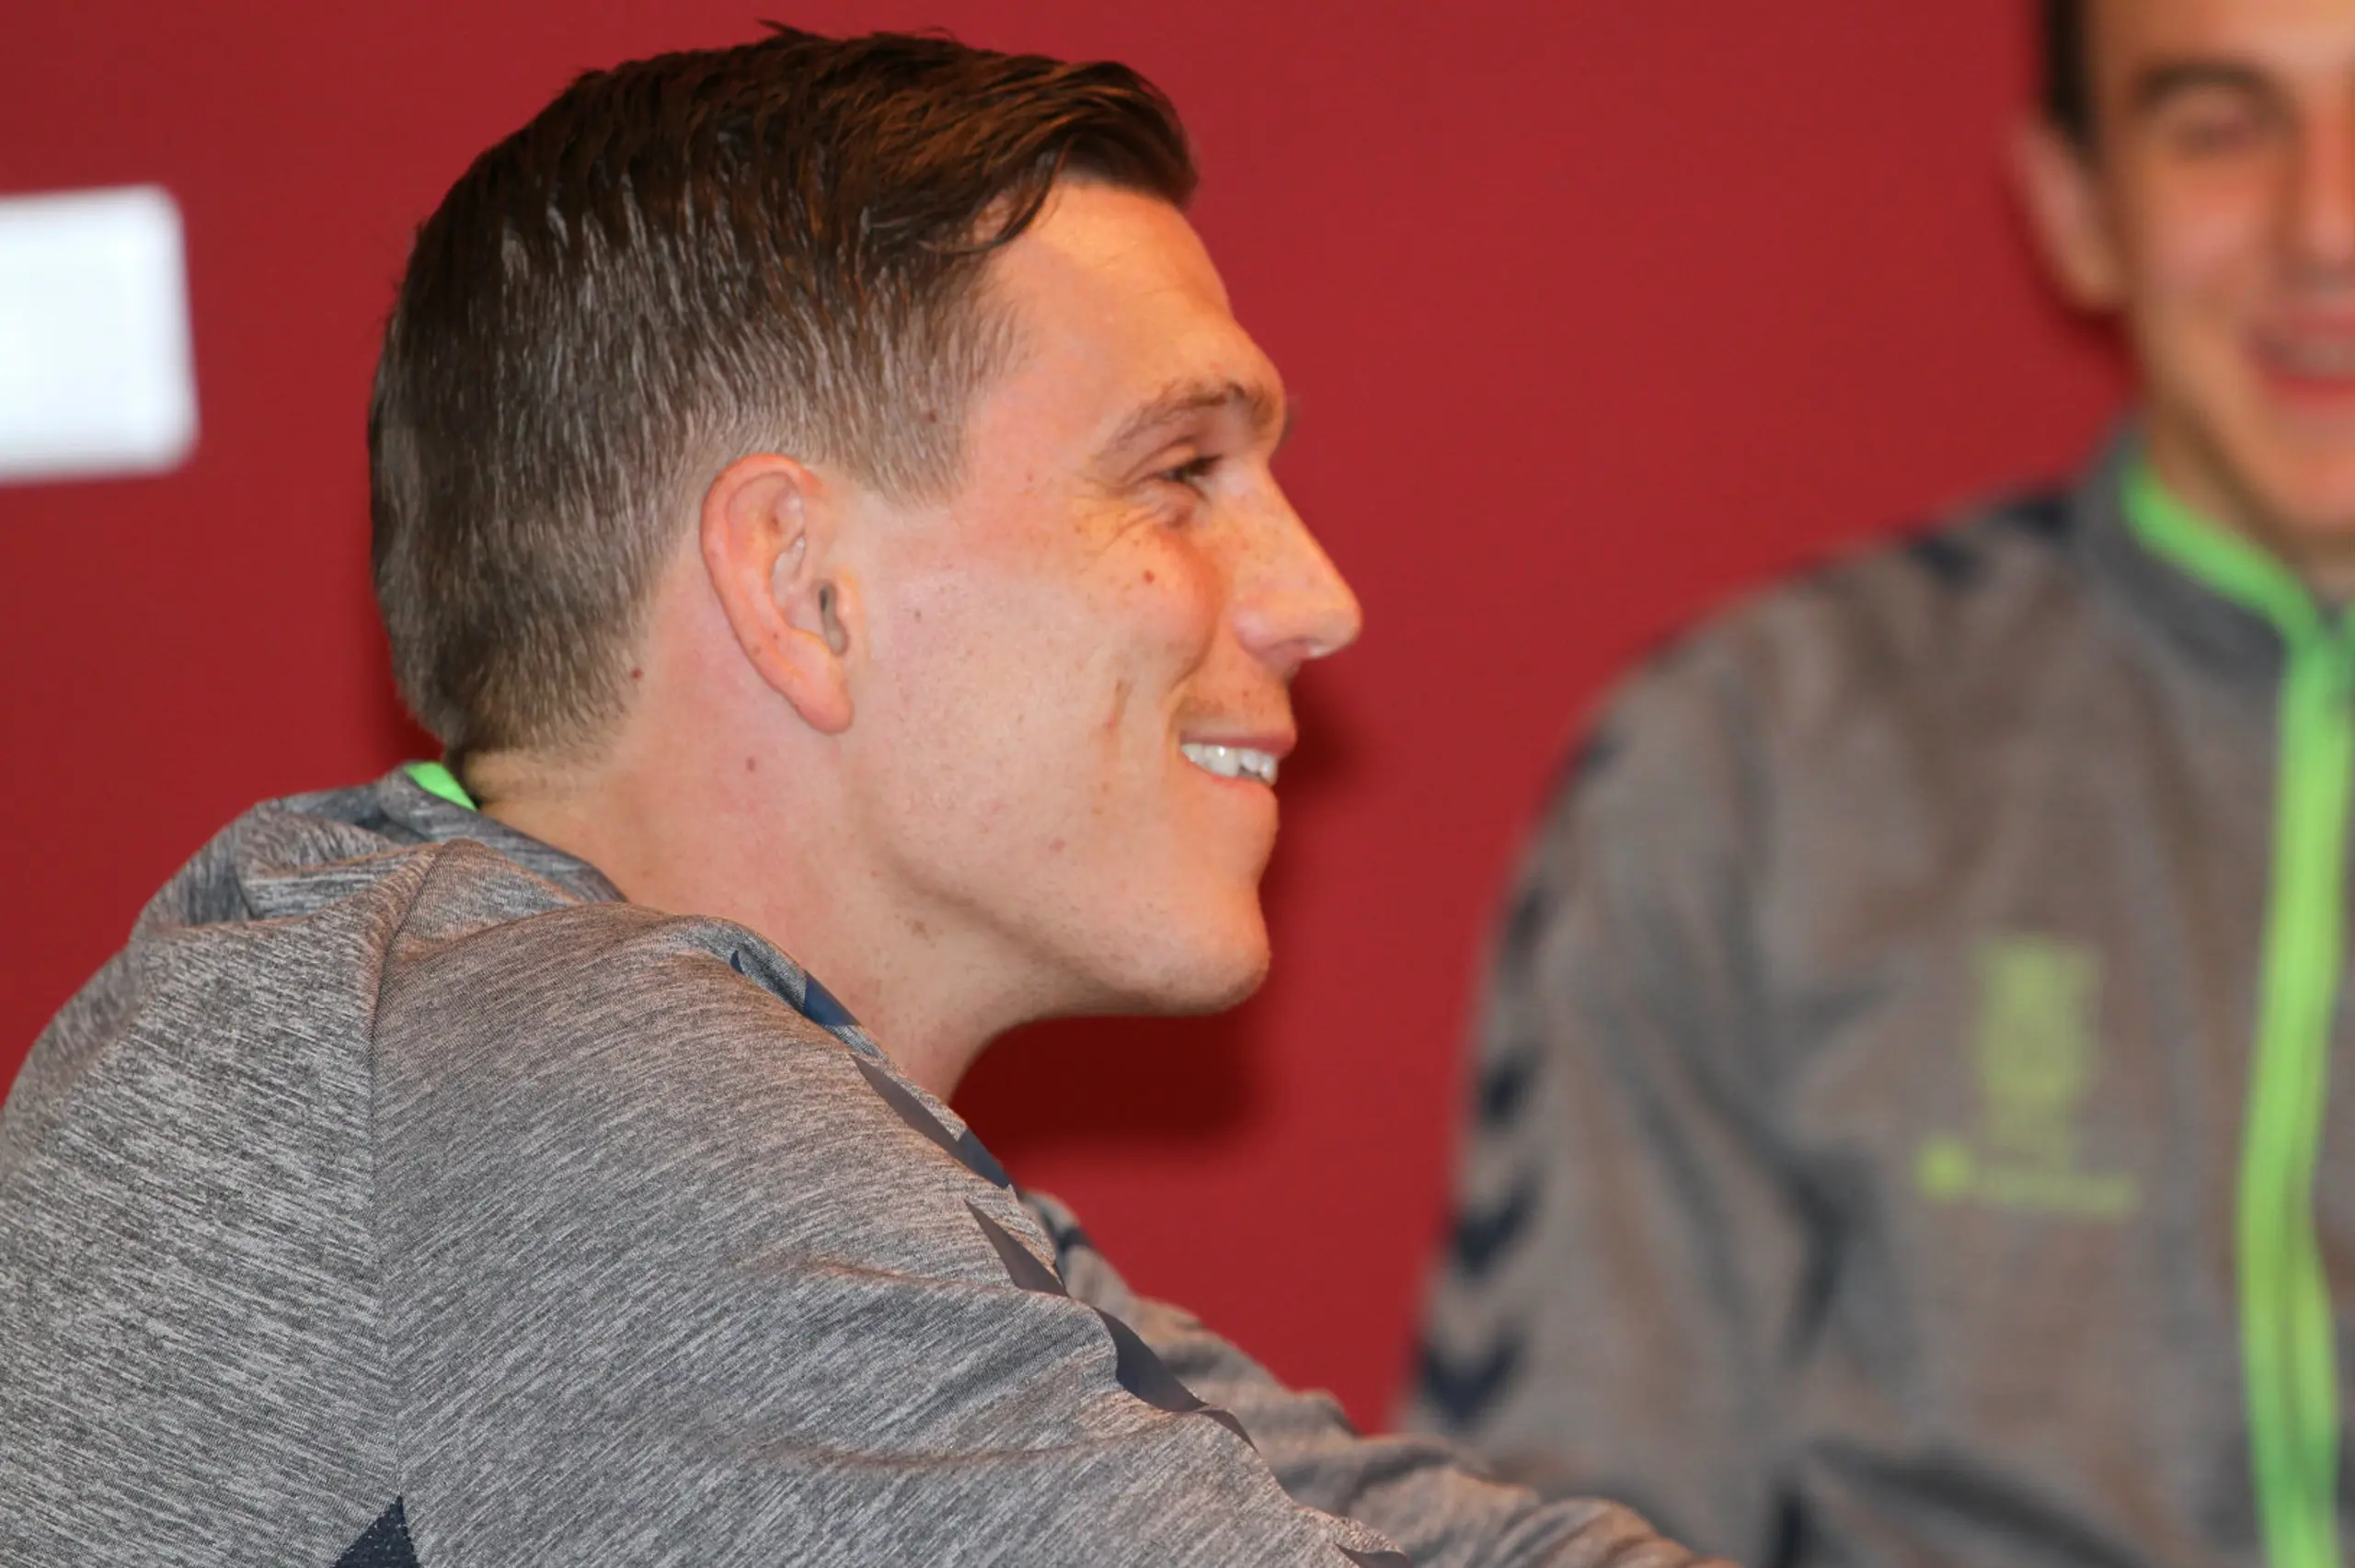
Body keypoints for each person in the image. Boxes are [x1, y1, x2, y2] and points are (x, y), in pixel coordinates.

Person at [0, 27, 1720, 1568]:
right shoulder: (559, 1094)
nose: (1315, 598)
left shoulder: (558, 1072)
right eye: (1181, 472)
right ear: (801, 586)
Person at [1407, 2, 2355, 1566]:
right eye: (2219, 127)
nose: (2325, 226)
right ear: (2078, 208)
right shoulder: (1754, 761)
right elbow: (1563, 1514)